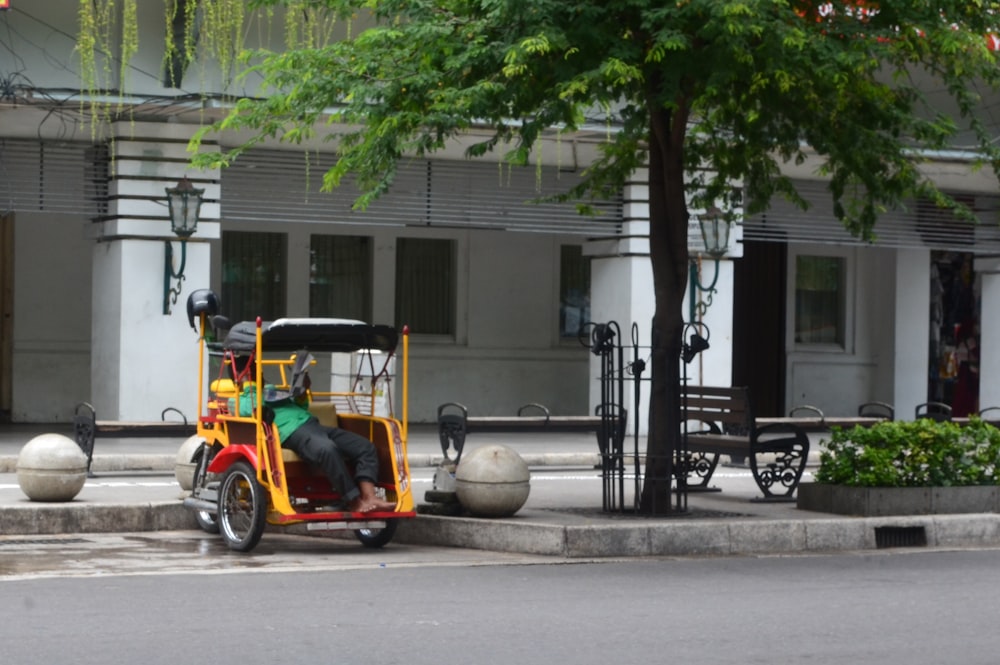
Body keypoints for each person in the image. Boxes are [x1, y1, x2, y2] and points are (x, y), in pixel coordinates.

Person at [232, 354, 395, 514]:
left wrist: (302, 391)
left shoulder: (270, 390)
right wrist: (250, 385)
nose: (261, 374)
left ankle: (369, 496)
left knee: (365, 447)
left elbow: (300, 407)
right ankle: (353, 501)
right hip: (291, 431)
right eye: (255, 371)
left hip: (312, 424)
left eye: (259, 370)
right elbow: (250, 409)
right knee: (327, 449)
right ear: (242, 375)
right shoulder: (238, 400)